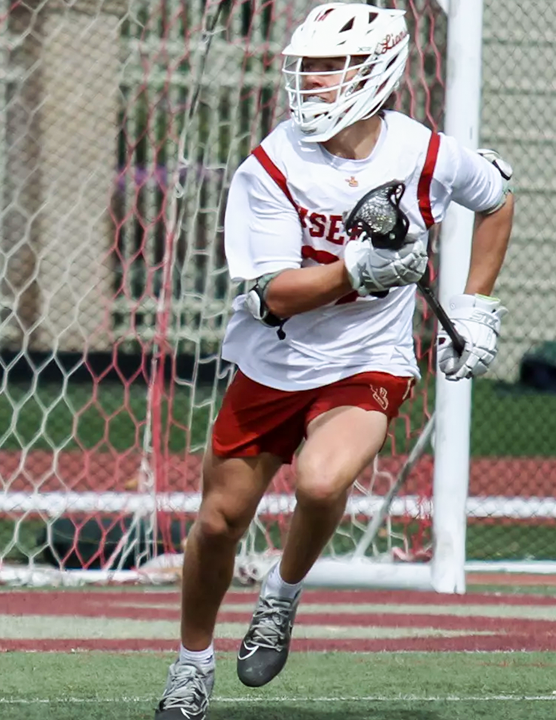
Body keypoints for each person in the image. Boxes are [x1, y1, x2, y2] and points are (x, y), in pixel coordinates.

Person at [154, 3, 515, 719]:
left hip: (367, 360)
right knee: (219, 524)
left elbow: (497, 195)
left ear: (374, 70)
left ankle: (280, 597)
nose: (310, 81)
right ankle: (192, 662)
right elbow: (271, 297)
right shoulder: (270, 165)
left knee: (322, 483)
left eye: (327, 67)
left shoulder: (423, 151)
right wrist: (360, 269)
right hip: (274, 362)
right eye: (306, 67)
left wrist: (475, 306)